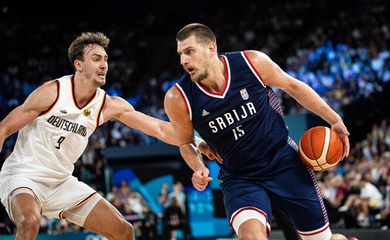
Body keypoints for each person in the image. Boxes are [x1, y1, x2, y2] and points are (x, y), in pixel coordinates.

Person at [164, 23, 357, 240]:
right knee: (251, 237)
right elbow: (185, 142)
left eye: (189, 52)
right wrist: (198, 166)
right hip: (240, 176)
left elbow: (292, 86)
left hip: (284, 161)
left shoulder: (251, 63)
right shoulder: (178, 98)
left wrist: (334, 119)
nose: (183, 61)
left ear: (210, 48)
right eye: (180, 54)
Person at [0, 31, 183, 240]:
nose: (104, 65)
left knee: (124, 231)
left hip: (61, 182)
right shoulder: (52, 92)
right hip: (24, 175)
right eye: (96, 59)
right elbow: (3, 128)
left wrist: (198, 141)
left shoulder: (108, 105)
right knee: (29, 221)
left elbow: (159, 128)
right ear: (78, 65)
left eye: (105, 59)